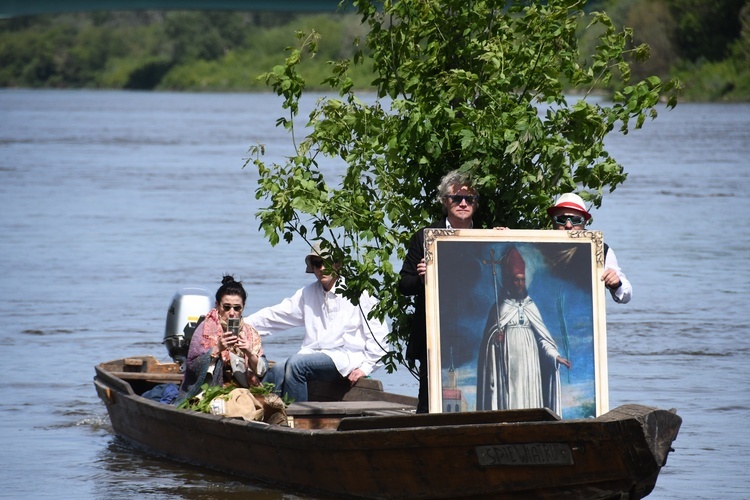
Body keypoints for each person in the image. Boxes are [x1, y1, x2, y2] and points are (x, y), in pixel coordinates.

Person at [245, 243, 388, 403]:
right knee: (277, 369)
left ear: (337, 264)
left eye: (326, 262)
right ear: (312, 268)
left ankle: (297, 418)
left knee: (296, 364)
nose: (321, 268)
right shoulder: (307, 293)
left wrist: (365, 368)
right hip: (312, 355)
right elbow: (275, 315)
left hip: (346, 357)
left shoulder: (359, 293)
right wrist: (242, 326)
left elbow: (379, 337)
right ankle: (259, 410)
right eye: (317, 264)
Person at [399, 169, 479, 413]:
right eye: (456, 198)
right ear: (445, 201)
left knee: (474, 399)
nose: (463, 203)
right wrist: (422, 278)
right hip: (433, 335)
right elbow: (403, 286)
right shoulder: (425, 238)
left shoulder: (486, 237)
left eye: (469, 199)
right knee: (428, 405)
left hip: (473, 335)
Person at [476, 246, 571, 415]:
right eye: (516, 280)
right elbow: (488, 343)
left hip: (530, 364)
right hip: (508, 364)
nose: (520, 283)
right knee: (511, 396)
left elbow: (543, 339)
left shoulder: (531, 306)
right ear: (508, 281)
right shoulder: (499, 308)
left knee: (530, 397)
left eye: (522, 279)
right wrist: (496, 341)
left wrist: (555, 356)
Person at [179, 275, 266, 398]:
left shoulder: (250, 333)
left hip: (244, 389)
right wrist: (217, 349)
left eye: (237, 308)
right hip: (210, 390)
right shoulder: (204, 330)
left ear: (243, 307)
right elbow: (192, 366)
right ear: (217, 305)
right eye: (226, 307)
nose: (231, 313)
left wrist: (249, 353)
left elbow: (262, 369)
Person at [548, 193, 632, 304]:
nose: (568, 225)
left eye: (576, 219)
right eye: (561, 219)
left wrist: (616, 283)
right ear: (553, 221)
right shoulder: (535, 246)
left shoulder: (599, 249)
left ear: (585, 222)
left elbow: (625, 296)